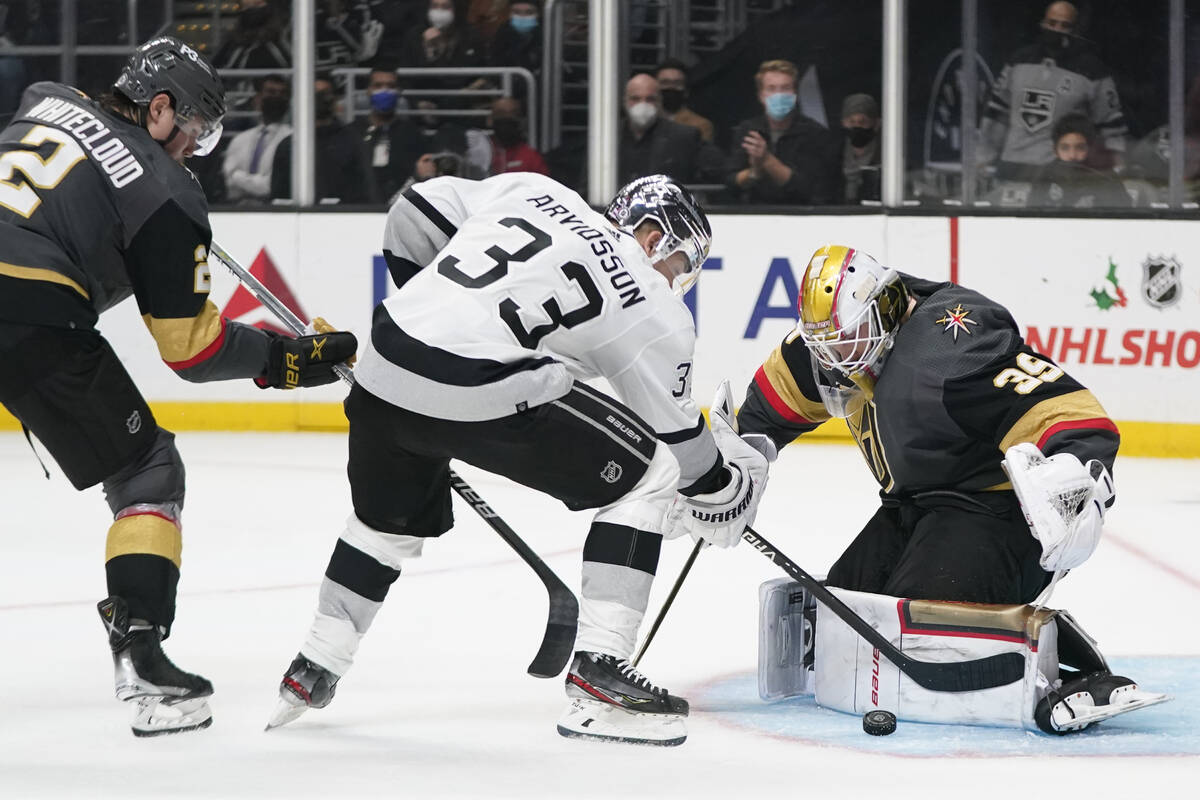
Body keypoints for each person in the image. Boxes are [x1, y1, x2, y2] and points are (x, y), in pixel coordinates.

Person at [264, 173, 768, 746]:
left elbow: (412, 210)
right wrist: (728, 493)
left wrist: (429, 310)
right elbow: (685, 452)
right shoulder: (650, 301)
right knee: (651, 475)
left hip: (385, 359)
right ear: (653, 237)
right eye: (679, 267)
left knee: (384, 522)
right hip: (477, 382)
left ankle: (313, 666)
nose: (676, 284)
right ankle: (600, 678)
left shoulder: (536, 191)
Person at [0, 37, 357, 737]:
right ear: (159, 110)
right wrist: (290, 360)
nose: (194, 150)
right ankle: (142, 656)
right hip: (26, 310)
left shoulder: (44, 101)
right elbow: (190, 350)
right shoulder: (165, 191)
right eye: (193, 132)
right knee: (146, 473)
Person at [735, 244, 1167, 733]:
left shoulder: (948, 349)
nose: (839, 359)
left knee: (921, 632)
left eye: (849, 339)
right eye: (826, 345)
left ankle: (1067, 661)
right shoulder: (828, 352)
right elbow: (761, 416)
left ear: (885, 308)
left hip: (995, 513)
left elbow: (1070, 414)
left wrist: (1077, 475)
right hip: (912, 507)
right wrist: (724, 473)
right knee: (847, 619)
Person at [979, 1, 1128, 183]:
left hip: (1061, 170)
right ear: (1042, 23)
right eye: (1052, 23)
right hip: (1012, 165)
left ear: (1075, 30)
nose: (1057, 29)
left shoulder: (1093, 71)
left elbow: (1111, 125)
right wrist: (982, 157)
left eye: (1065, 25)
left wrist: (1116, 166)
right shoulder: (1018, 61)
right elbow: (997, 113)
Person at [727, 59, 842, 205]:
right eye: (771, 88)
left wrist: (767, 160)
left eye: (785, 88)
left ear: (795, 93)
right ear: (761, 95)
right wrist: (754, 172)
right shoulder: (747, 130)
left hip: (800, 216)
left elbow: (810, 189)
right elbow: (730, 183)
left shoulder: (815, 134)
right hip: (755, 215)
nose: (779, 95)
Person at [270, 76, 374, 203]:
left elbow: (366, 190)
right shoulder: (289, 145)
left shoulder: (353, 142)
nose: (319, 99)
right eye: (314, 94)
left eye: (325, 94)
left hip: (344, 218)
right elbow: (278, 195)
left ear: (335, 99)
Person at [617, 73, 719, 187]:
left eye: (650, 99)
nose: (643, 104)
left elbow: (717, 172)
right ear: (624, 101)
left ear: (660, 102)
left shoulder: (685, 137)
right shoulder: (608, 137)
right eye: (635, 99)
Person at [354, 66, 424, 204]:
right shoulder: (352, 133)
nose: (385, 91)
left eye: (391, 86)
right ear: (368, 91)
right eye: (378, 86)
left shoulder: (412, 134)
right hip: (356, 211)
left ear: (399, 92)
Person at [1029, 113, 1131, 208]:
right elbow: (1034, 210)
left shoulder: (1105, 174)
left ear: (1090, 149)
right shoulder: (1046, 174)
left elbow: (1121, 210)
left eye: (1080, 148)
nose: (1072, 155)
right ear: (1056, 151)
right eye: (1065, 148)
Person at [222, 73, 292, 205]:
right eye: (271, 92)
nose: (276, 98)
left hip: (275, 212)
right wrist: (254, 182)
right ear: (258, 98)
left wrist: (239, 177)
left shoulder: (292, 139)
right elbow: (229, 181)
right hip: (236, 210)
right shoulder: (240, 139)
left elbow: (271, 186)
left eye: (282, 93)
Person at [655, 58, 714, 143]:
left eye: (677, 83)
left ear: (686, 91)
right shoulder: (645, 120)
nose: (671, 87)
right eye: (665, 83)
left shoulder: (701, 126)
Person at [485, 95, 547, 176]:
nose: (507, 117)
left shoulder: (531, 157)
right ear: (490, 120)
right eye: (501, 113)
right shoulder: (479, 154)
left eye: (513, 114)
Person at [839, 92, 881, 204]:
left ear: (876, 124)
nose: (857, 127)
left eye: (863, 122)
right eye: (851, 122)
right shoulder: (833, 154)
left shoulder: (887, 156)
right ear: (843, 123)